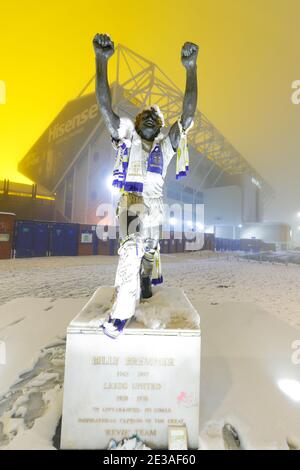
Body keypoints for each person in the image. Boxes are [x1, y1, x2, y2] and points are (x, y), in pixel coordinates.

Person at [93, 33, 198, 338]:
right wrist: (102, 61)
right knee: (130, 251)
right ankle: (121, 316)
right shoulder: (126, 140)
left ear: (161, 127)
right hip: (131, 201)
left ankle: (145, 281)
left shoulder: (165, 148)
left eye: (156, 117)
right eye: (145, 116)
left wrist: (191, 68)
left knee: (149, 254)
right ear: (137, 123)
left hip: (156, 207)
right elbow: (103, 107)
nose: (151, 118)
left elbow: (188, 115)